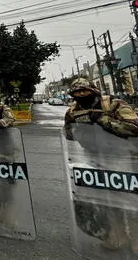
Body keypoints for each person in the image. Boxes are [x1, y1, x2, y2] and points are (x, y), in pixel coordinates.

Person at [63, 78, 138, 252]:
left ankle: (136, 238)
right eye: (77, 92)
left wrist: (103, 120)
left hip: (120, 156)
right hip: (92, 157)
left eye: (84, 90)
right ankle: (117, 235)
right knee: (106, 199)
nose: (81, 94)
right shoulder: (73, 111)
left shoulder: (112, 104)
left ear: (94, 90)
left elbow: (134, 127)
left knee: (128, 199)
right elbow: (68, 134)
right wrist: (81, 128)